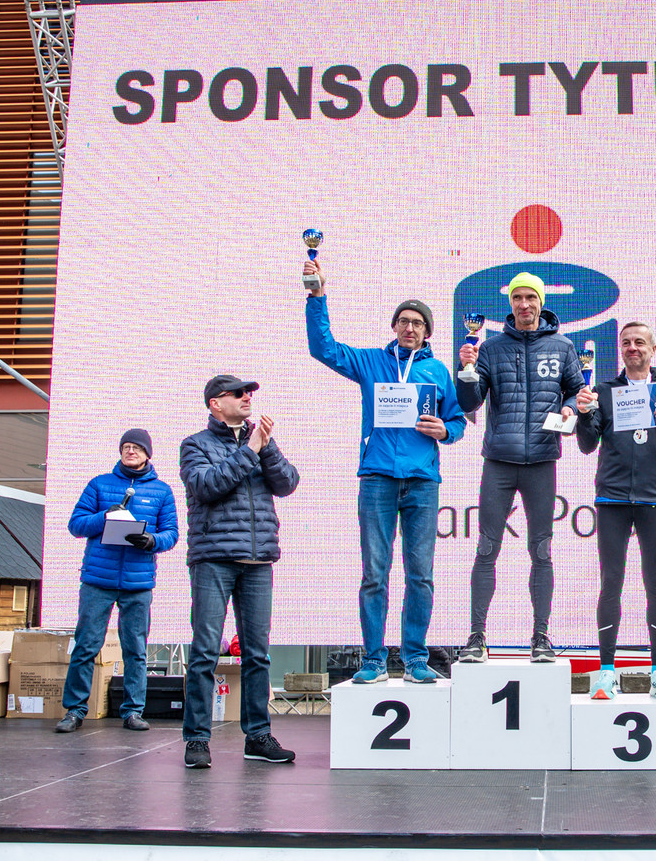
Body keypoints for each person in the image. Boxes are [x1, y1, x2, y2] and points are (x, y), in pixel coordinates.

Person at [304, 260, 466, 684]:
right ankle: (374, 660)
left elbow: (458, 421)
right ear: (394, 327)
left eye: (417, 323)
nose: (410, 328)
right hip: (377, 477)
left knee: (421, 576)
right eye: (403, 321)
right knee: (374, 574)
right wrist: (318, 297)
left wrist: (445, 430)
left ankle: (415, 658)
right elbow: (324, 349)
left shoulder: (437, 371)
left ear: (427, 333)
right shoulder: (372, 362)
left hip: (422, 482)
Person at [454, 272, 584, 663]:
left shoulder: (562, 347)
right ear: (510, 303)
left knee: (541, 551)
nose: (524, 304)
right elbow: (470, 403)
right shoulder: (491, 347)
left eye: (530, 297)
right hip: (499, 461)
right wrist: (467, 371)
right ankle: (476, 637)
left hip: (541, 461)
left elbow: (578, 390)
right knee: (486, 548)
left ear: (541, 302)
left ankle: (541, 637)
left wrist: (571, 407)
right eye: (517, 298)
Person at [178, 374, 301, 770]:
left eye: (250, 393)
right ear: (215, 403)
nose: (248, 397)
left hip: (258, 560)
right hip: (214, 558)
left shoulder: (260, 441)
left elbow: (287, 483)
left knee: (257, 654)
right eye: (238, 393)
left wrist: (266, 447)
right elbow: (207, 485)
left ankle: (258, 736)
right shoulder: (195, 444)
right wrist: (250, 450)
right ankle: (197, 738)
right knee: (205, 652)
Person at [575, 322, 656, 700]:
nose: (632, 347)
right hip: (612, 499)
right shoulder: (604, 391)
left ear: (653, 349)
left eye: (639, 342)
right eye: (626, 342)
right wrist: (585, 413)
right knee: (611, 582)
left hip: (655, 499)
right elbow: (586, 445)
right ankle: (606, 673)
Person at [57, 429, 179, 733]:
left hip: (138, 584)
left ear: (148, 453)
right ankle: (75, 710)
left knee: (135, 650)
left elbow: (172, 533)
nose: (130, 451)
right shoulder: (99, 484)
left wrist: (151, 540)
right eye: (126, 447)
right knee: (86, 645)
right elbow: (76, 525)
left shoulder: (162, 491)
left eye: (136, 447)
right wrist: (104, 517)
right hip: (98, 580)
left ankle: (133, 711)